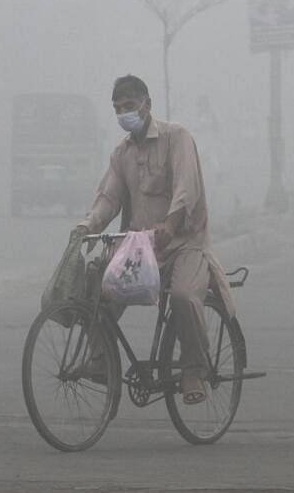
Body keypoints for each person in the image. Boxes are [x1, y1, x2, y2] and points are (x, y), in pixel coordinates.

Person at [71, 74, 235, 405]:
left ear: (148, 103)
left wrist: (171, 224)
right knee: (95, 290)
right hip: (140, 249)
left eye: (129, 105)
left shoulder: (177, 138)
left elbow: (187, 188)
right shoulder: (122, 155)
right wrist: (88, 225)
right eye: (117, 108)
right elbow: (109, 197)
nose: (123, 113)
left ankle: (193, 369)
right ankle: (100, 359)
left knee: (184, 297)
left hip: (185, 244)